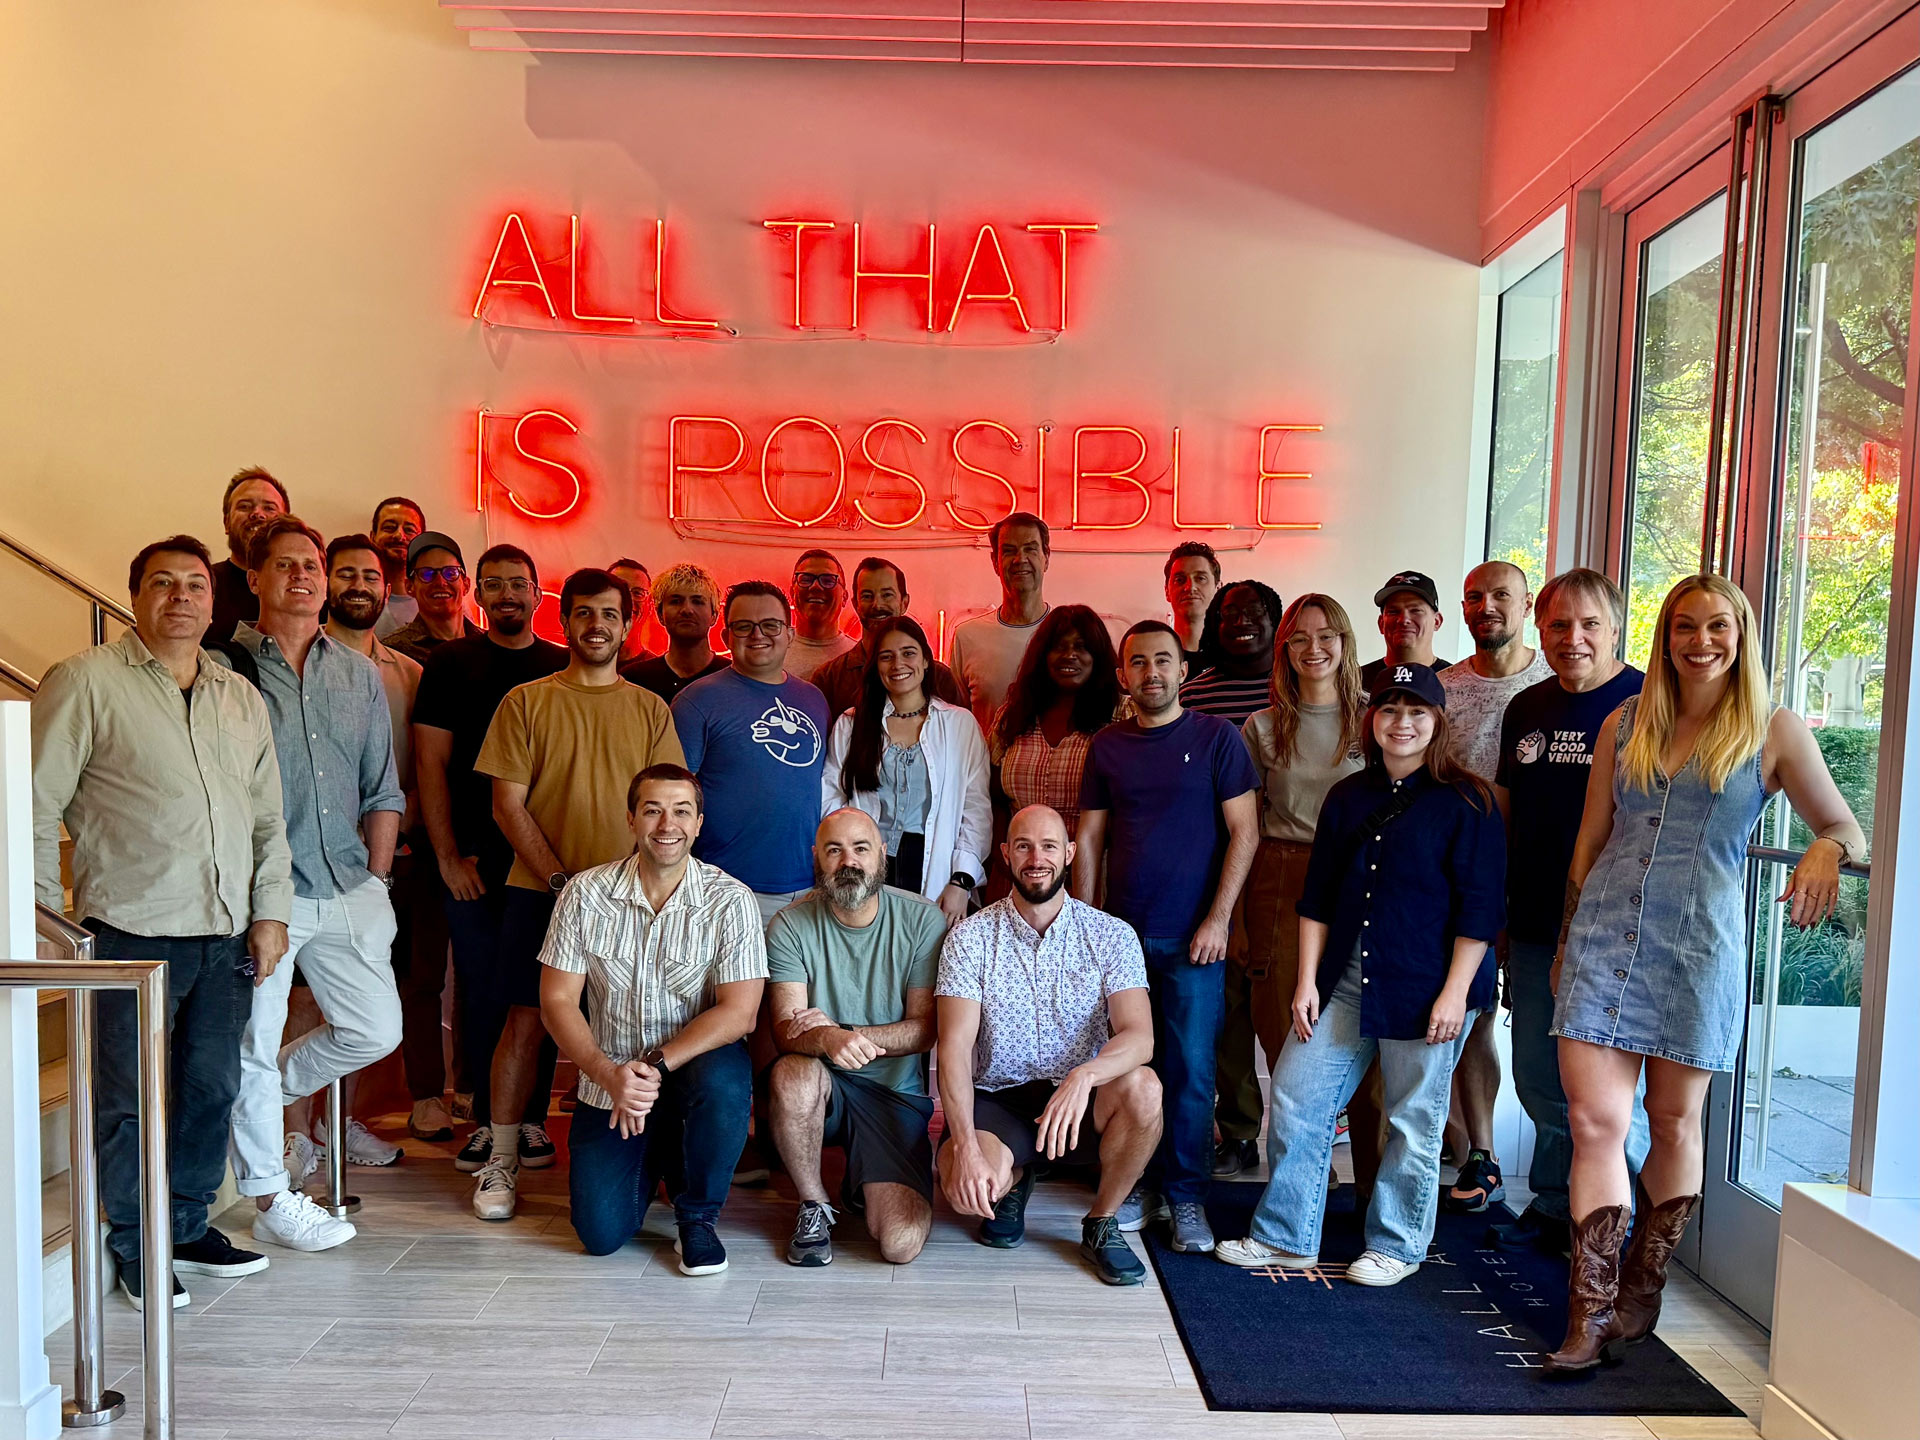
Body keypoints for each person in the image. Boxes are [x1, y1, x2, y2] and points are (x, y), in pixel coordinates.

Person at [1546, 575, 1863, 1371]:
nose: (1701, 641)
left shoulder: (1773, 729)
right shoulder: (1625, 722)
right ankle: (1588, 1312)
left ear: (1741, 634)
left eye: (1718, 626)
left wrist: (1825, 848)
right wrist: (1565, 940)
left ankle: (1640, 1291)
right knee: (1594, 1121)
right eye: (1685, 626)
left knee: (1674, 1122)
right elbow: (1591, 838)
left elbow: (1843, 823)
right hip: (1602, 944)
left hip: (1697, 953)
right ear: (1665, 638)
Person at [32, 534, 292, 1309]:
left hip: (226, 933)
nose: (180, 597)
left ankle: (183, 1227)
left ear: (214, 601)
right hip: (130, 931)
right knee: (129, 1099)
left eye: (194, 585)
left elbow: (267, 820)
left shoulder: (238, 695)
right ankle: (136, 1246)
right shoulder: (85, 681)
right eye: (162, 583)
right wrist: (44, 924)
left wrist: (271, 913)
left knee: (211, 1089)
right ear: (135, 597)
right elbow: (36, 806)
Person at [1216, 662, 1504, 1287]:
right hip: (1347, 979)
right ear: (1372, 718)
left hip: (1429, 987)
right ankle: (1286, 1236)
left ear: (1438, 721)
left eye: (1416, 711)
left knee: (1411, 1118)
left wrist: (1455, 995)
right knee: (1296, 1094)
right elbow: (1317, 898)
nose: (1402, 723)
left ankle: (1397, 1245)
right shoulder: (1347, 797)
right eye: (1390, 709)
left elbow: (1481, 911)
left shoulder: (1469, 802)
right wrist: (1307, 981)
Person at [471, 567, 686, 1221]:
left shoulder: (650, 709)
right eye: (584, 613)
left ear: (627, 624)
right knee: (524, 1023)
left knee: (641, 1025)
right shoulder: (526, 702)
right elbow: (507, 806)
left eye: (609, 614)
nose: (597, 625)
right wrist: (564, 884)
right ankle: (501, 1160)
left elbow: (667, 805)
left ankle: (650, 1160)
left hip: (632, 899)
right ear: (563, 621)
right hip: (540, 893)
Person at [226, 517, 405, 1254]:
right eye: (286, 565)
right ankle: (271, 1197)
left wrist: (379, 879)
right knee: (255, 1038)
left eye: (312, 565)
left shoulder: (358, 673)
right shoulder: (225, 668)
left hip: (349, 881)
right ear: (255, 578)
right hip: (264, 889)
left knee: (375, 1028)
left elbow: (382, 787)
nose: (302, 576)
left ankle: (255, 1100)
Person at [1074, 621, 1259, 1254]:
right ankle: (1135, 1185)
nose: (1150, 672)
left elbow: (1245, 833)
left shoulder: (1217, 738)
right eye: (1138, 662)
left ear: (1183, 670)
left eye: (1162, 660)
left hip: (1193, 941)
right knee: (1131, 1065)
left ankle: (1186, 1198)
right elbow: (1091, 838)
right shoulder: (1108, 746)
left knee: (1192, 1073)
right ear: (1122, 675)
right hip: (1121, 944)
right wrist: (1086, 926)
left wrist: (1219, 919)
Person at [539, 765, 767, 1270]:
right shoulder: (584, 894)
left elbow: (741, 1013)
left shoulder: (731, 900)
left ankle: (697, 1218)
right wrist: (608, 1075)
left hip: (691, 1077)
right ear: (631, 819)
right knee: (600, 1235)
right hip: (612, 1082)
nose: (668, 824)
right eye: (652, 810)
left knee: (726, 1079)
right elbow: (556, 1002)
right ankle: (661, 1156)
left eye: (682, 811)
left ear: (699, 823)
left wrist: (655, 1066)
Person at [937, 805, 1163, 1285]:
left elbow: (1139, 1036)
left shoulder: (1111, 935)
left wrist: (1085, 1075)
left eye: (1048, 846)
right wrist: (966, 1149)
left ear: (1070, 853)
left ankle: (1101, 1221)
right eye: (1024, 846)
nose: (1036, 858)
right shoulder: (969, 938)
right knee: (965, 1192)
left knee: (1145, 1088)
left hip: (1082, 1102)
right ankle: (1014, 1179)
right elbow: (953, 1050)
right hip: (1000, 1100)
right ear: (1005, 854)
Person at [1489, 568, 1647, 1255]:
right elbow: (1505, 813)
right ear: (1539, 629)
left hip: (1615, 932)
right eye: (1558, 625)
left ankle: (1617, 1226)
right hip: (1533, 924)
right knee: (1537, 1074)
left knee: (1607, 1092)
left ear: (1616, 629)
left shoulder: (1647, 704)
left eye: (1589, 625)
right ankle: (1557, 1206)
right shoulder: (1526, 707)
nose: (1573, 638)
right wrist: (1496, 911)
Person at [412, 545, 568, 1164]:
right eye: (494, 584)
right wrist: (448, 857)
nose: (507, 595)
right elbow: (431, 764)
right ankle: (483, 1116)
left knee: (542, 989)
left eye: (518, 584)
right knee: (481, 991)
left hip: (546, 863)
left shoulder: (559, 666)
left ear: (537, 594)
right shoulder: (451, 663)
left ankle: (531, 1119)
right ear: (477, 593)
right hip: (474, 864)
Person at [1213, 593, 1370, 1181]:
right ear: (1283, 650)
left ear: (1345, 643)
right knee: (1283, 1017)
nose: (1313, 648)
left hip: (1359, 876)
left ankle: (1355, 1164)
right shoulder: (1261, 727)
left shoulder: (1375, 718)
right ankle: (1302, 1165)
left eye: (1326, 636)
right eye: (1299, 638)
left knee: (1357, 1014)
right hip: (1281, 873)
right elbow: (1244, 829)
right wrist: (1237, 917)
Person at [766, 809, 946, 1266]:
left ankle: (862, 1182)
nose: (848, 861)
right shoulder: (789, 925)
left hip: (893, 1093)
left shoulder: (922, 920)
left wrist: (840, 1032)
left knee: (900, 1244)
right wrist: (826, 1042)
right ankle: (813, 1204)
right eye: (834, 850)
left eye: (860, 848)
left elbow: (925, 1029)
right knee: (791, 1074)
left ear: (882, 854)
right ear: (817, 858)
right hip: (823, 1086)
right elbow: (786, 1030)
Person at [1438, 560, 1553, 1214]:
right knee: (1474, 1015)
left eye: (1501, 595)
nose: (1487, 606)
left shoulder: (1554, 683)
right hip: (1463, 882)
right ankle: (1480, 1154)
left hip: (1539, 881)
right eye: (1474, 597)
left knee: (1546, 1035)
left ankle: (1564, 1185)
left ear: (1526, 604)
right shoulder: (1446, 689)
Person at [312, 534, 428, 1160]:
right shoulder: (292, 662)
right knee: (302, 1002)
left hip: (385, 862)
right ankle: (291, 1132)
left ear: (388, 588)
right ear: (325, 581)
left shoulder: (409, 674)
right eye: (345, 573)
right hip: (308, 863)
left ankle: (340, 1121)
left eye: (370, 576)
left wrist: (388, 845)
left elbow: (411, 771)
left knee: (362, 1000)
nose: (358, 585)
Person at [672, 580, 833, 926]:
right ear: (726, 636)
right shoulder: (696, 701)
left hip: (809, 888)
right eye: (744, 626)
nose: (758, 635)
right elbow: (673, 799)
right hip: (725, 889)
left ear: (790, 633)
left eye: (770, 625)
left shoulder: (814, 699)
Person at [823, 616, 989, 921]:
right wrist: (845, 856)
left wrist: (961, 880)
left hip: (933, 865)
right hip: (865, 863)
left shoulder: (959, 724)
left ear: (926, 661)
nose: (898, 663)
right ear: (876, 666)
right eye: (886, 656)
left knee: (927, 946)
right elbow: (831, 797)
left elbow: (976, 809)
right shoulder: (851, 724)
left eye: (908, 653)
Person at [988, 604, 1121, 884]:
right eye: (1059, 647)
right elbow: (994, 796)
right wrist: (1003, 859)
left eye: (1082, 647)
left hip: (1096, 878)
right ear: (1042, 656)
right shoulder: (1014, 715)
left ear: (1097, 656)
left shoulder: (1122, 716)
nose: (1069, 655)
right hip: (1021, 874)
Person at [811, 557, 964, 719]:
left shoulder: (940, 678)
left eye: (887, 595)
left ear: (904, 602)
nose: (877, 605)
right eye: (867, 596)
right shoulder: (828, 680)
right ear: (856, 604)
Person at [949, 512, 1053, 731]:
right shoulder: (967, 637)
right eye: (1009, 551)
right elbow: (956, 727)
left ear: (1046, 558)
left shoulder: (1069, 636)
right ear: (995, 562)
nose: (1020, 559)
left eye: (1030, 549)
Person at [1181, 579, 1286, 726]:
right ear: (1216, 624)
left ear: (1274, 619)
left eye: (1255, 611)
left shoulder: (1298, 687)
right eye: (1230, 613)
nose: (1242, 621)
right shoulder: (1191, 698)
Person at [622, 561, 729, 703]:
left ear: (714, 615)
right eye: (676, 601)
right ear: (660, 615)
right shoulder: (633, 680)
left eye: (697, 601)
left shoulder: (733, 679)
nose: (687, 610)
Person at [208, 466, 288, 642]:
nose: (257, 514)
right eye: (244, 506)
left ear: (287, 524)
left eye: (269, 508)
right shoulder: (203, 585)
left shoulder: (305, 589)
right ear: (227, 522)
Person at [384, 531, 482, 665]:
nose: (440, 582)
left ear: (466, 585)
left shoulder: (490, 646)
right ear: (409, 587)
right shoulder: (393, 653)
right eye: (427, 574)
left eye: (450, 572)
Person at [1359, 570, 1450, 691]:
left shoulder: (1456, 681)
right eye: (1393, 612)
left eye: (1415, 610)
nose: (1403, 620)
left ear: (1437, 621)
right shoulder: (1354, 683)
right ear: (1381, 624)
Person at [786, 549, 858, 681]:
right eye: (806, 579)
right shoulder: (770, 651)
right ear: (792, 593)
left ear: (844, 597)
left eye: (828, 580)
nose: (816, 586)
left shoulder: (860, 657)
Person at [368, 496, 426, 639]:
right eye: (389, 527)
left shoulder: (440, 597)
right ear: (372, 537)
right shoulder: (357, 596)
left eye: (409, 530)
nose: (400, 536)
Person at [1164, 541, 1220, 670]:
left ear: (1218, 589)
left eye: (1201, 578)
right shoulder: (1154, 659)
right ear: (1167, 591)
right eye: (1179, 580)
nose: (1190, 587)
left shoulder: (1236, 657)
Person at [610, 556, 656, 666]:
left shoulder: (656, 671)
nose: (629, 600)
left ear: (650, 606)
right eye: (620, 590)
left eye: (638, 593)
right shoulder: (574, 662)